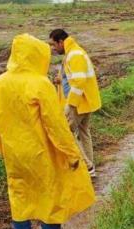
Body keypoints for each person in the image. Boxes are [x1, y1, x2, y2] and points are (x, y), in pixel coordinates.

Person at [0, 33, 95, 229]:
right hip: (42, 155)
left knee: (19, 198)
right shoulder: (40, 84)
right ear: (36, 56)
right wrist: (72, 155)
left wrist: (2, 149)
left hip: (14, 156)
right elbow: (56, 126)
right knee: (50, 198)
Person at [49, 29, 101, 178]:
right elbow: (75, 77)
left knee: (66, 131)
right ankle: (91, 168)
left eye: (54, 44)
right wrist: (61, 80)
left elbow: (79, 82)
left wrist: (71, 104)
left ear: (61, 42)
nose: (53, 48)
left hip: (78, 103)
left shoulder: (74, 54)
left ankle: (87, 166)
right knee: (84, 133)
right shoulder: (73, 52)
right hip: (85, 102)